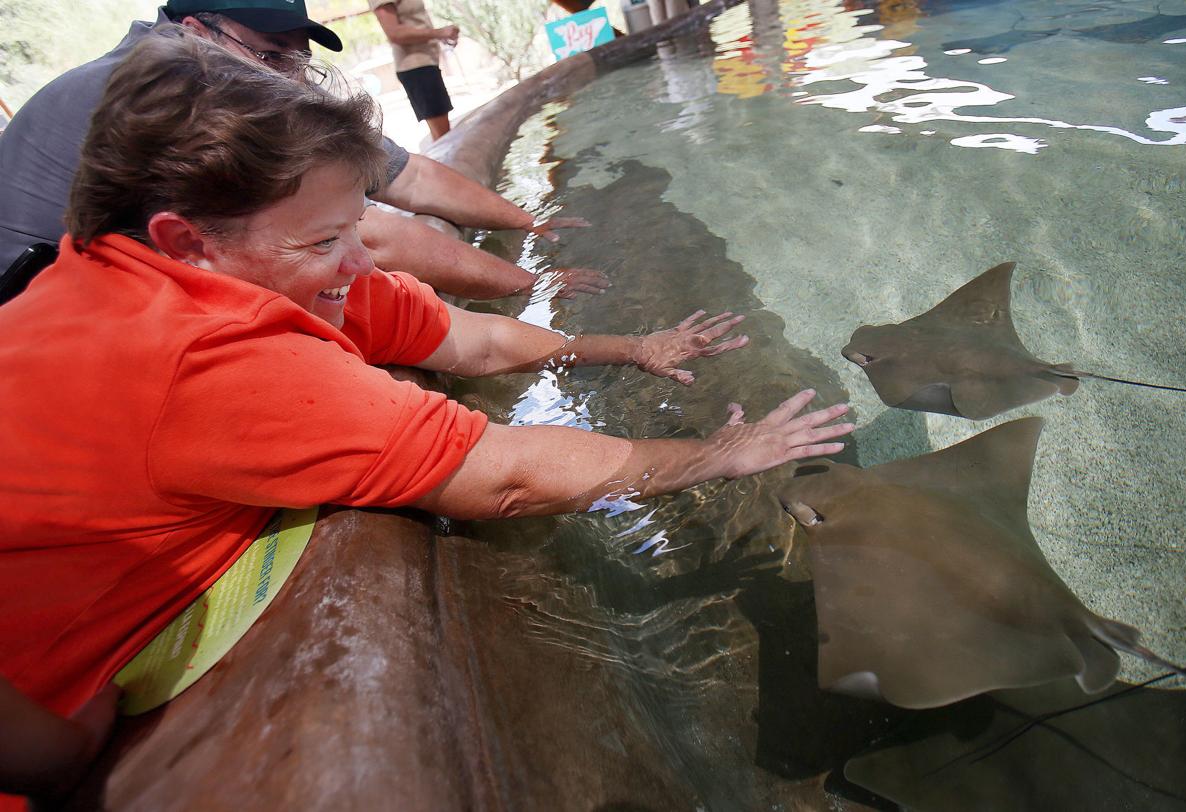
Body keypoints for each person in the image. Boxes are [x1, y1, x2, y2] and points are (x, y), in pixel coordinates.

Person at [0, 32, 853, 802]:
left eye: (355, 224)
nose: (362, 257)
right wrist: (717, 454)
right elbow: (505, 476)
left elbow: (467, 342)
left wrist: (626, 346)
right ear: (187, 239)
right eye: (325, 241)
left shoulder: (168, 273)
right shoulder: (208, 357)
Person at [0, 0, 602, 306]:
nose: (289, 77)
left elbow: (405, 174)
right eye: (271, 54)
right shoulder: (185, 87)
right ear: (194, 28)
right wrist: (532, 286)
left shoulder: (214, 67)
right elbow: (369, 233)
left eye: (297, 58)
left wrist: (530, 222)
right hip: (31, 311)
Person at [369, 0, 458, 141]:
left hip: (427, 62)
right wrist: (439, 33)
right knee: (444, 138)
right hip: (416, 67)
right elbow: (395, 33)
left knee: (442, 135)